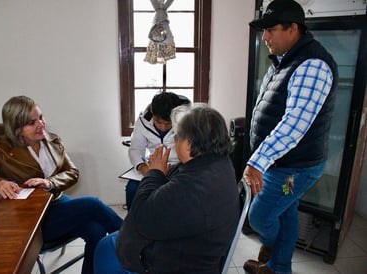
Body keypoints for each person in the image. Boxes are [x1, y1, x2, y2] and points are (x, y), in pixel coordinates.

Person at [0, 95, 123, 274]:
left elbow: (73, 173)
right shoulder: (1, 150)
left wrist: (50, 182)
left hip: (57, 203)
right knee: (92, 204)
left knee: (95, 231)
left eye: (41, 117)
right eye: (32, 122)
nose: (41, 124)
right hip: (32, 219)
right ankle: (135, 239)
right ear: (17, 127)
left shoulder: (52, 141)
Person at [242, 1, 338, 274]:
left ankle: (272, 249)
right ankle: (278, 268)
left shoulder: (313, 65)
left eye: (271, 29)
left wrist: (256, 162)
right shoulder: (284, 61)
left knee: (259, 217)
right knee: (286, 211)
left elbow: (294, 124)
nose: (265, 37)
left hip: (293, 167)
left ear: (293, 28)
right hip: (282, 163)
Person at [94, 104, 240, 274]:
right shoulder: (219, 163)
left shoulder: (193, 186)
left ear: (188, 144)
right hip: (192, 247)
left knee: (105, 251)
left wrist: (154, 172)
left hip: (175, 263)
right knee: (109, 241)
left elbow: (140, 217)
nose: (174, 141)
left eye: (176, 136)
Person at [125, 91, 190, 209]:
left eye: (168, 123)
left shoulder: (187, 121)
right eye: (158, 122)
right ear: (152, 112)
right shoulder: (142, 121)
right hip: (153, 166)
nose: (163, 127)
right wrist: (144, 169)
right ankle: (134, 224)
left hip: (180, 167)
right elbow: (135, 149)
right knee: (132, 189)